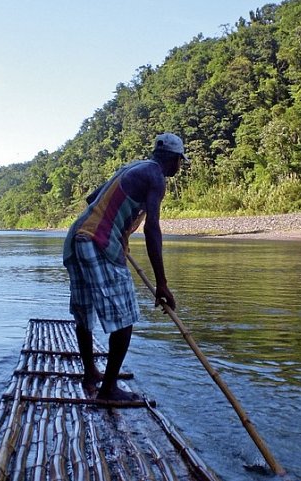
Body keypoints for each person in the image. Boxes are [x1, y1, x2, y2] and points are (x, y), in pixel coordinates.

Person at [62, 133, 187, 401]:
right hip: (97, 242)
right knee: (126, 318)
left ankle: (90, 374)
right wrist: (161, 283)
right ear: (174, 159)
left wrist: (121, 228)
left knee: (84, 313)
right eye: (180, 161)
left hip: (78, 237)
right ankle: (108, 389)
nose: (180, 166)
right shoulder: (156, 177)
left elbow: (92, 199)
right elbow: (153, 228)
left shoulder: (133, 167)